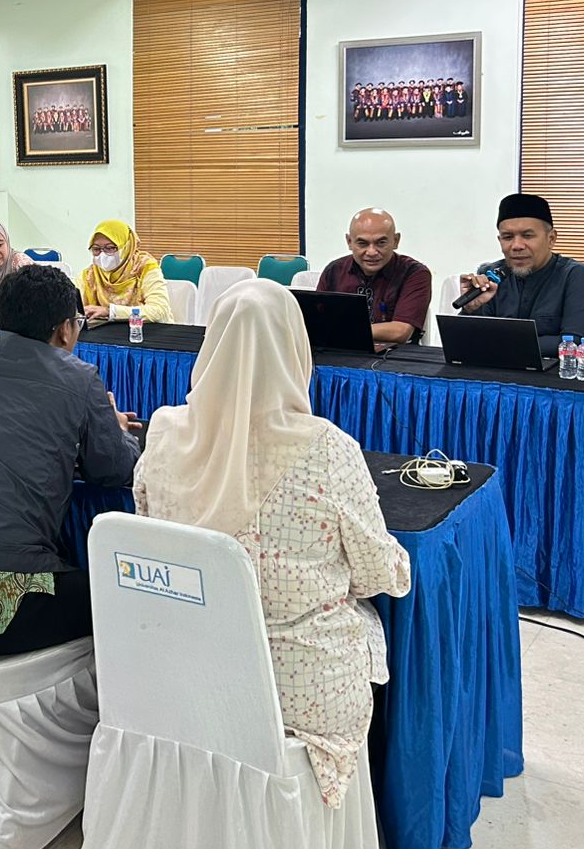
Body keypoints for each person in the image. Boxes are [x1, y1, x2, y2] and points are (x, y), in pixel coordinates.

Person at [133, 279, 411, 808]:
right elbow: (379, 576)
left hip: (184, 665)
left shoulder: (164, 433)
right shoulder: (327, 449)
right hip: (298, 687)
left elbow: (147, 528)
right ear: (295, 347)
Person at [0, 265, 140, 654]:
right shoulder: (79, 378)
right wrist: (117, 429)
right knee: (129, 599)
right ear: (64, 330)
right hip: (7, 605)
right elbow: (113, 470)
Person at [459, 193, 584, 358]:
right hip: (497, 371)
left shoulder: (577, 276)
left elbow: (579, 343)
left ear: (551, 239)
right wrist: (470, 310)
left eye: (527, 236)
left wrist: (500, 343)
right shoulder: (491, 275)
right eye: (508, 237)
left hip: (559, 373)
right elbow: (470, 342)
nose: (517, 245)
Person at [316, 208, 433, 346]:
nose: (371, 252)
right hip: (339, 349)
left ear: (396, 241)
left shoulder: (414, 273)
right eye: (362, 243)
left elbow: (400, 332)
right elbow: (316, 320)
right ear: (349, 242)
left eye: (381, 243)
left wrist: (340, 330)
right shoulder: (334, 270)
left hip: (395, 354)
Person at [80, 220, 171, 323]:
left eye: (110, 248)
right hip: (108, 330)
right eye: (96, 249)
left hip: (149, 329)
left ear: (126, 247)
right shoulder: (91, 274)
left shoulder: (144, 267)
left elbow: (159, 311)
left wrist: (110, 312)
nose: (102, 254)